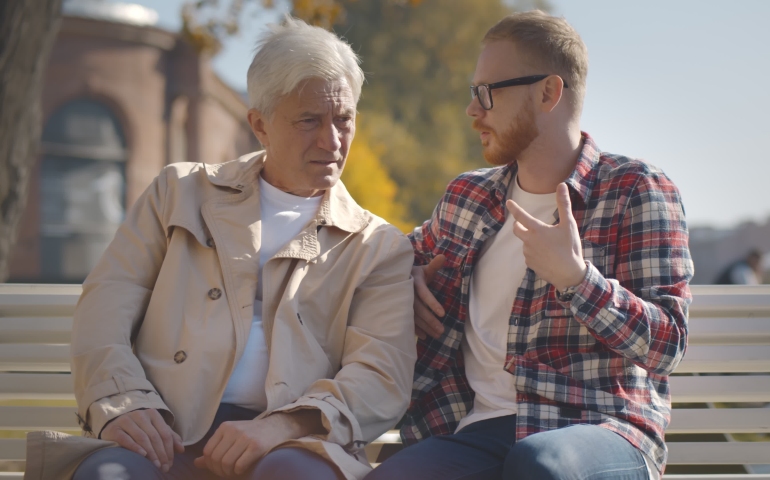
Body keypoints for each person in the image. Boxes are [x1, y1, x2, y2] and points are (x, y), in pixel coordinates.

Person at [59, 17, 416, 480]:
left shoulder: (378, 246)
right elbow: (105, 306)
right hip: (164, 431)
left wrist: (282, 426)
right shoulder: (178, 193)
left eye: (343, 119)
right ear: (260, 125)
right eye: (309, 120)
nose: (332, 141)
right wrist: (122, 403)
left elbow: (379, 374)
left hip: (292, 443)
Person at [367, 10, 693, 480]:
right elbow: (392, 256)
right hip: (478, 431)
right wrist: (404, 278)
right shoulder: (467, 197)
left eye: (487, 92)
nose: (472, 109)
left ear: (548, 93)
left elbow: (668, 345)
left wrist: (578, 281)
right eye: (473, 92)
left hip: (601, 428)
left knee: (538, 465)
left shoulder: (635, 190)